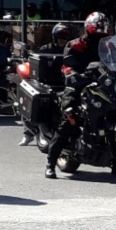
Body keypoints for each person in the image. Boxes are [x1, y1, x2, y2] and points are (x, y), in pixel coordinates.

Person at [46, 12, 110, 178]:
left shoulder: (109, 47)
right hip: (79, 84)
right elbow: (67, 66)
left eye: (103, 33)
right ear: (89, 30)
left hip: (103, 85)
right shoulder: (75, 45)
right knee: (70, 115)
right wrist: (73, 75)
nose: (100, 36)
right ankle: (50, 163)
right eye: (97, 33)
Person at [18, 23, 74, 147]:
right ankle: (28, 133)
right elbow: (35, 62)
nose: (62, 41)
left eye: (64, 39)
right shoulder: (45, 50)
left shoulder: (71, 50)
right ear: (54, 38)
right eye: (60, 39)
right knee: (36, 99)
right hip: (47, 83)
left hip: (66, 83)